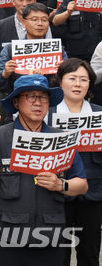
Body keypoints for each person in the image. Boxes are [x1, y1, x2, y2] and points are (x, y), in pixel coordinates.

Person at [0, 75, 88, 265]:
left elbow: (82, 184)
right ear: (16, 102)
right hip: (9, 234)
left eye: (43, 97)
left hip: (50, 233)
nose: (38, 103)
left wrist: (60, 184)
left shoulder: (61, 139)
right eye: (31, 96)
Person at [48, 59, 102, 266]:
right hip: (57, 194)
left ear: (90, 84)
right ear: (60, 82)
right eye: (72, 78)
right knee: (57, 254)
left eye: (83, 79)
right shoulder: (48, 114)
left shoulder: (99, 114)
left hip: (93, 193)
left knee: (89, 253)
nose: (78, 84)